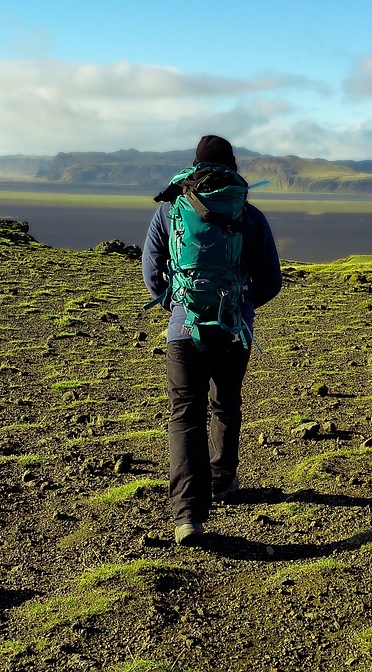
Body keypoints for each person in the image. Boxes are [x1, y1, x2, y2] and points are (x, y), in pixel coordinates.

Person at [142, 135, 282, 546]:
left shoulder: (170, 211)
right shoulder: (250, 215)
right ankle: (222, 480)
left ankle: (188, 516)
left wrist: (180, 304)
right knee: (225, 402)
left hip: (183, 331)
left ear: (193, 164)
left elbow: (152, 274)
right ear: (234, 166)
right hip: (234, 330)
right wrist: (241, 304)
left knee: (185, 415)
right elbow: (271, 280)